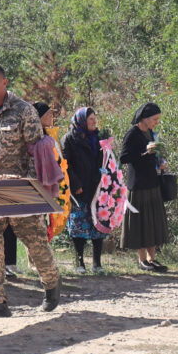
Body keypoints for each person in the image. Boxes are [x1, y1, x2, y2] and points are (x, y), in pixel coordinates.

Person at [0, 64, 61, 318]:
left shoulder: (24, 111)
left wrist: (30, 188)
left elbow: (37, 154)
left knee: (36, 244)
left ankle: (51, 284)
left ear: (4, 82)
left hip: (21, 191)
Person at [120, 102, 169, 271]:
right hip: (138, 185)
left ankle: (152, 259)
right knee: (141, 222)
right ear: (145, 118)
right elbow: (124, 157)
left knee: (152, 222)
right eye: (154, 119)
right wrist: (144, 153)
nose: (156, 122)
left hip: (152, 182)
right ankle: (142, 260)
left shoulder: (150, 132)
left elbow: (155, 155)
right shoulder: (132, 133)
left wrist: (160, 162)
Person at [62, 107, 107, 274]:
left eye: (95, 118)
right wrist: (75, 184)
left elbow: (104, 161)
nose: (94, 122)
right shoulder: (69, 139)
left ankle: (97, 263)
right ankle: (79, 262)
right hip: (79, 189)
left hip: (97, 188)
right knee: (78, 227)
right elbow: (66, 165)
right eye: (91, 119)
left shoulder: (98, 138)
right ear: (81, 121)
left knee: (98, 225)